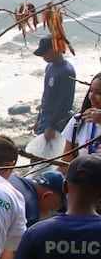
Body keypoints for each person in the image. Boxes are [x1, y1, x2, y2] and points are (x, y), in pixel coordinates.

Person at [29, 36, 77, 171]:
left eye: (45, 53)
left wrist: (52, 125)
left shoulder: (66, 71)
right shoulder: (49, 67)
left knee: (52, 154)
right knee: (38, 153)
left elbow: (64, 102)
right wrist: (38, 118)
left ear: (56, 49)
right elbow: (46, 95)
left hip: (56, 118)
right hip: (45, 114)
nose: (43, 56)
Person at [59, 72, 101, 166]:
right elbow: (66, 163)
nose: (92, 97)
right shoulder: (78, 122)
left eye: (99, 93)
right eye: (91, 91)